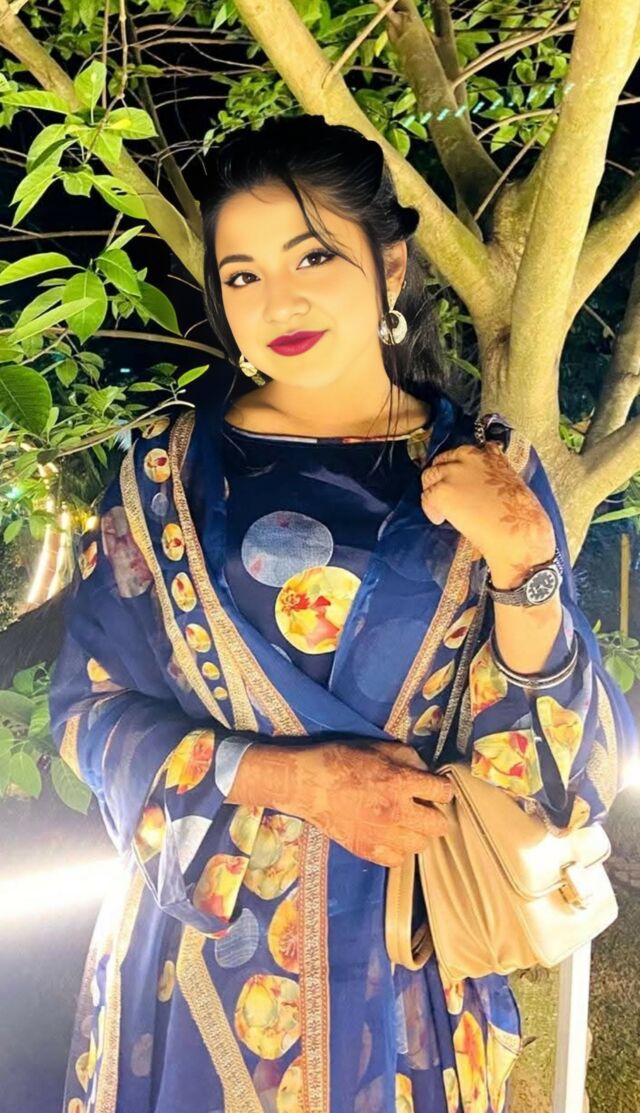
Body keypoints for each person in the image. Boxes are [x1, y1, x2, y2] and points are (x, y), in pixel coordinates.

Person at [49, 114, 637, 1113]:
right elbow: (89, 715)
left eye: (312, 256)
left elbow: (561, 785)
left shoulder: (491, 476)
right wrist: (292, 778)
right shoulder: (164, 479)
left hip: (409, 972)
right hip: (202, 975)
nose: (276, 300)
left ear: (390, 264)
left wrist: (524, 560)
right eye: (241, 275)